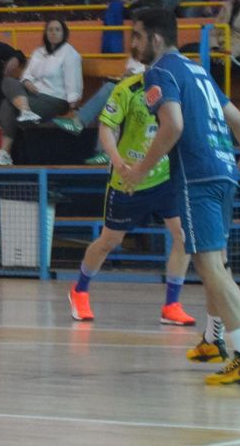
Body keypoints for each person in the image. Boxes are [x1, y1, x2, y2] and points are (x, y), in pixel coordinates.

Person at [122, 7, 240, 385]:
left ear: (155, 38)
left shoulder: (159, 72)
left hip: (197, 175)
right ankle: (213, 339)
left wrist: (138, 171)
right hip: (224, 170)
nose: (132, 43)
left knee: (207, 264)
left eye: (136, 35)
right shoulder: (198, 69)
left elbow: (173, 124)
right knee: (216, 261)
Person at [66, 71, 195, 327]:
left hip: (164, 177)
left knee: (182, 235)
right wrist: (116, 160)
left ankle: (171, 304)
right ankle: (79, 290)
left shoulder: (175, 86)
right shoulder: (127, 89)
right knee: (110, 241)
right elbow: (106, 127)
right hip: (128, 180)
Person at [0, 19, 83, 166]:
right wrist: (27, 81)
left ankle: (5, 151)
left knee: (7, 104)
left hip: (56, 100)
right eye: (50, 29)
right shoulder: (38, 52)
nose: (53, 33)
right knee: (8, 82)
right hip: (33, 96)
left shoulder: (70, 54)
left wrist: (73, 106)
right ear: (46, 33)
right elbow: (27, 75)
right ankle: (25, 111)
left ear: (64, 33)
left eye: (57, 30)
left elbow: (74, 83)